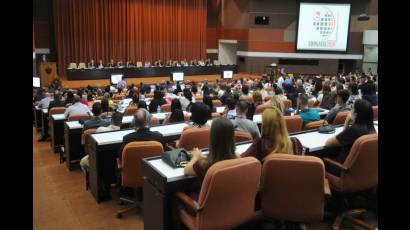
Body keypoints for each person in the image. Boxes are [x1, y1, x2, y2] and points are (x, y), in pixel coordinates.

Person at [325, 99, 376, 172]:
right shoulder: (371, 128)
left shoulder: (355, 129)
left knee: (321, 157)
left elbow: (328, 143)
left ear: (356, 114)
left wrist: (347, 121)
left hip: (344, 170)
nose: (350, 111)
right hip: (363, 171)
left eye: (352, 108)